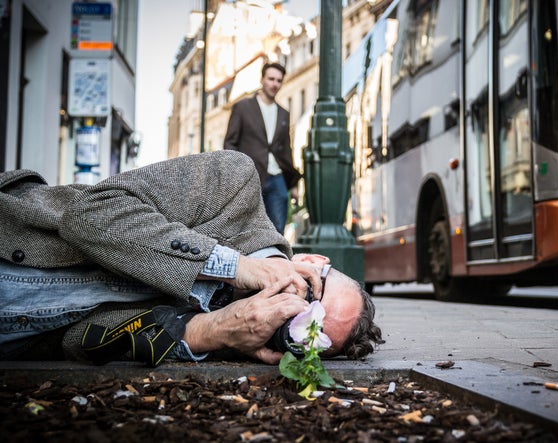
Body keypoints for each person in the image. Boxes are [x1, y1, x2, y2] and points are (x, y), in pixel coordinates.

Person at [0, 150, 382, 366]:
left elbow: (78, 342)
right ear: (312, 260)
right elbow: (89, 216)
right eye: (311, 297)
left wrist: (209, 330)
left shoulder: (232, 338)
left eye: (305, 336)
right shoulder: (235, 186)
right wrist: (236, 266)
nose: (290, 310)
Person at [224, 61, 300, 234]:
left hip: (277, 178)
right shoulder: (242, 107)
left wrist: (293, 184)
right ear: (262, 80)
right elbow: (230, 143)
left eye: (279, 81)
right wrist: (235, 173)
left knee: (277, 230)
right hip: (250, 176)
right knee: (248, 230)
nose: (275, 84)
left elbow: (286, 149)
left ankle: (275, 261)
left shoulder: (283, 113)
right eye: (271, 79)